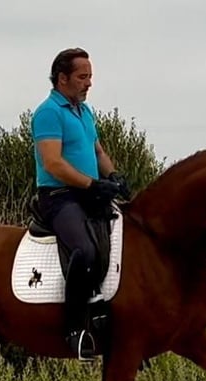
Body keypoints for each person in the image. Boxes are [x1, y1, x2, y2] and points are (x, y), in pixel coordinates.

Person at [31, 47, 129, 361]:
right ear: (62, 78)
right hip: (59, 198)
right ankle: (74, 328)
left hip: (89, 194)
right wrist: (92, 184)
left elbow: (98, 152)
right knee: (84, 251)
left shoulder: (84, 112)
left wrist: (113, 175)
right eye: (82, 77)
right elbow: (53, 163)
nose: (89, 83)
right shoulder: (49, 112)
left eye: (90, 77)